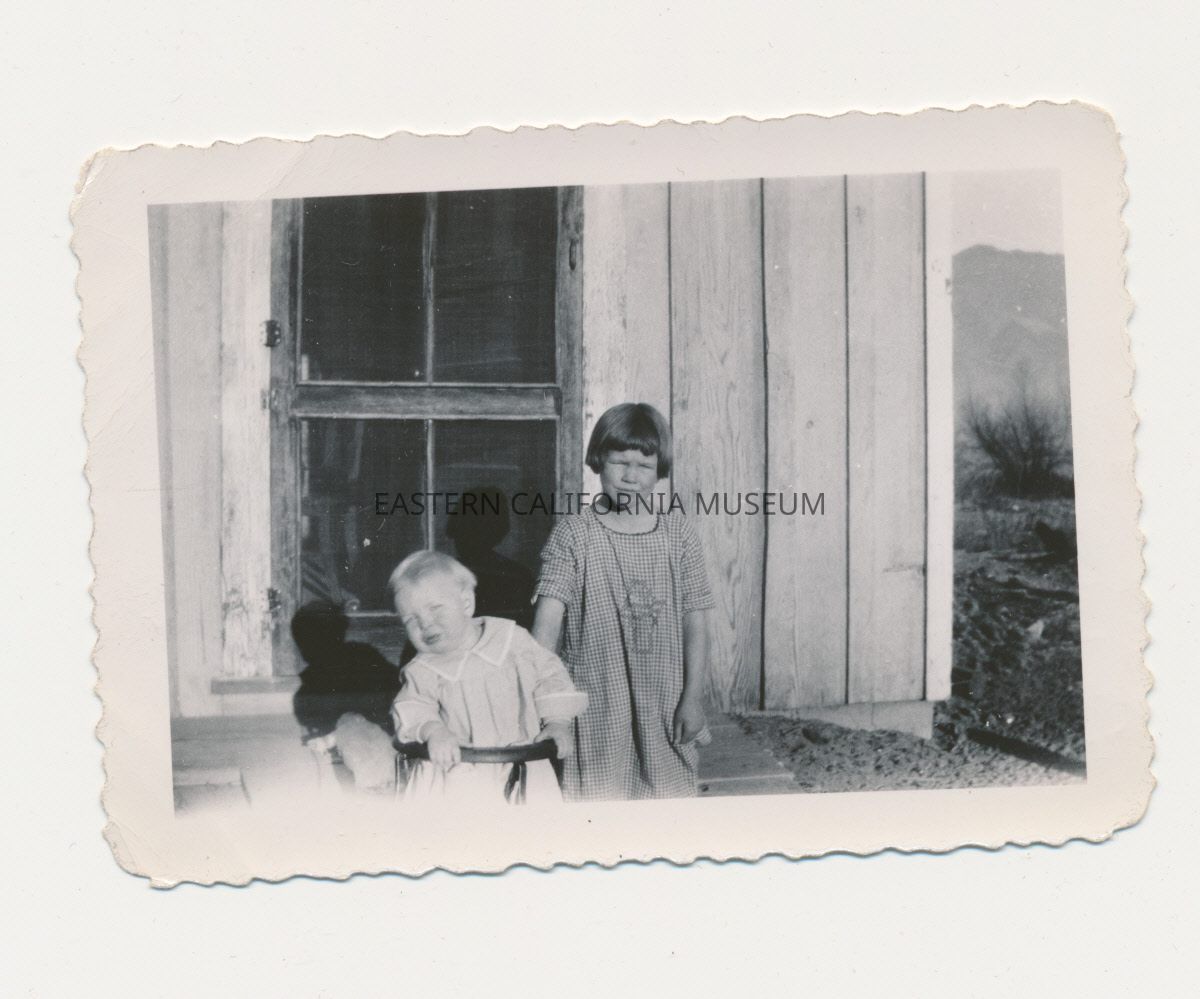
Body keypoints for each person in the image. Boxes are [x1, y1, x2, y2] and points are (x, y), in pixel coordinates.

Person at [532, 402, 715, 801]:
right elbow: (546, 627)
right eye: (619, 463)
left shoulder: (678, 535)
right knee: (599, 804)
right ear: (599, 462)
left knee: (669, 802)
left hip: (665, 697)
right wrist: (546, 705)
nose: (631, 477)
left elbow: (696, 623)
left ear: (660, 469)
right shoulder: (574, 534)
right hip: (597, 699)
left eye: (644, 466)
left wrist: (692, 698)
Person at [390, 550, 587, 805]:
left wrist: (557, 722)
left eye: (435, 609)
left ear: (466, 603)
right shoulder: (422, 670)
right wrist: (433, 730)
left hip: (521, 766)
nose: (425, 623)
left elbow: (549, 674)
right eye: (411, 619)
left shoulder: (511, 641)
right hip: (457, 774)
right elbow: (411, 708)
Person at [290, 601, 400, 792]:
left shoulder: (318, 676)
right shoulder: (362, 653)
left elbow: (306, 712)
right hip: (379, 726)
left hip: (369, 728)